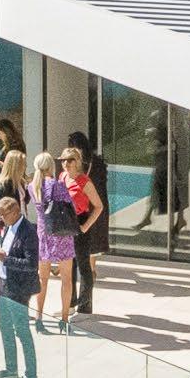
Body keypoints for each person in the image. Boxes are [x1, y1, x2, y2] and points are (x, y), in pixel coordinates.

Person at [0, 194, 41, 378]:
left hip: (19, 288)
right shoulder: (8, 228)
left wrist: (5, 259)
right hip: (4, 285)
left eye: (2, 215)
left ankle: (31, 375)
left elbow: (31, 264)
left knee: (22, 330)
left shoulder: (28, 231)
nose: (0, 219)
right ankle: (11, 369)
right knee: (4, 326)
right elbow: (8, 252)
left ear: (14, 212)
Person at [34, 151, 83, 331]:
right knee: (66, 279)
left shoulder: (33, 186)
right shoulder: (58, 185)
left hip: (43, 233)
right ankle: (64, 320)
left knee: (42, 279)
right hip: (61, 233)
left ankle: (39, 317)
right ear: (51, 166)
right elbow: (71, 206)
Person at [66, 131, 111, 315]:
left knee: (80, 264)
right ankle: (83, 304)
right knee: (86, 264)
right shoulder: (97, 163)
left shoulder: (78, 169)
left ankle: (78, 303)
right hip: (93, 215)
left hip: (84, 215)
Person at [0, 148, 35, 229]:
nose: (25, 166)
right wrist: (3, 224)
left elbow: (24, 201)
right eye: (23, 164)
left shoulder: (19, 181)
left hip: (21, 222)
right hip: (12, 226)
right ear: (16, 166)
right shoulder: (6, 183)